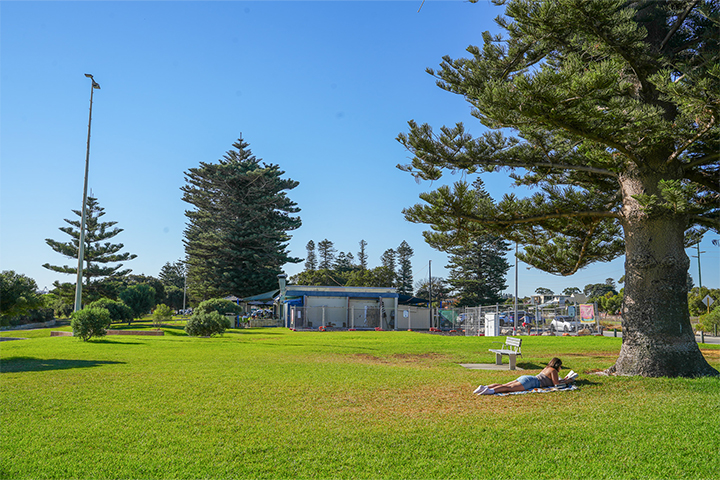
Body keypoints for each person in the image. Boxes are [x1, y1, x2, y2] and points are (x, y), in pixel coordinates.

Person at [473, 357, 574, 395]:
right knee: (509, 388)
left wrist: (563, 380)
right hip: (530, 382)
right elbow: (556, 384)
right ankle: (490, 391)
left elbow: (553, 381)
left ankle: (484, 387)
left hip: (527, 378)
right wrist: (567, 381)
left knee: (506, 384)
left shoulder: (547, 368)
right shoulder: (554, 371)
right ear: (558, 365)